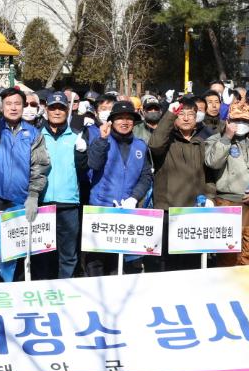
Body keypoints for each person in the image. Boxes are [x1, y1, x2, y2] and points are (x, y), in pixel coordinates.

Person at [0, 86, 49, 281]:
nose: (13, 108)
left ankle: (9, 291)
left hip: (19, 199)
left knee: (13, 252)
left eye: (17, 103)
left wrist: (33, 195)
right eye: (8, 103)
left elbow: (40, 166)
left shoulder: (33, 133)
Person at [204, 103, 249, 266]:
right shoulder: (216, 139)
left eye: (244, 120)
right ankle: (227, 288)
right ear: (228, 119)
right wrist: (227, 138)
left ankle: (246, 287)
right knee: (228, 252)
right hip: (227, 202)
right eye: (236, 120)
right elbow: (213, 162)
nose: (240, 124)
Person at [85, 100, 153, 276]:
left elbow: (146, 176)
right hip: (100, 210)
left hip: (126, 212)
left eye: (129, 118)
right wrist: (102, 140)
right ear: (112, 121)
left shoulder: (140, 146)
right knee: (96, 263)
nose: (125, 122)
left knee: (119, 265)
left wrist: (134, 197)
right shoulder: (101, 139)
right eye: (120, 118)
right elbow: (93, 163)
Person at [148, 97, 215, 271]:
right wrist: (170, 114)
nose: (186, 118)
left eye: (190, 115)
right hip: (168, 211)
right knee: (168, 265)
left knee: (192, 264)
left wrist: (210, 196)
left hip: (194, 213)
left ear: (197, 118)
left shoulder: (202, 143)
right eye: (181, 114)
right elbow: (154, 145)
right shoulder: (166, 141)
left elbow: (209, 174)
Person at [40, 92, 88, 279]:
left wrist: (82, 153)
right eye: (53, 108)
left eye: (61, 108)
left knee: (68, 254)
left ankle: (64, 290)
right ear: (46, 110)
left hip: (68, 203)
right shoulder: (37, 136)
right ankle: (44, 290)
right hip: (42, 203)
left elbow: (84, 169)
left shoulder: (76, 137)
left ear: (67, 111)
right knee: (43, 254)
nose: (57, 112)